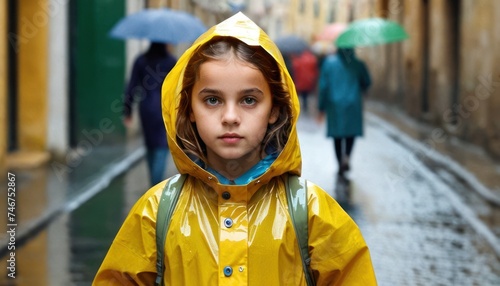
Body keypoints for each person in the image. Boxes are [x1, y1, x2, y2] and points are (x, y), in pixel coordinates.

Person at [93, 13, 376, 285]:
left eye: (249, 100)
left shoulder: (313, 215)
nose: (230, 117)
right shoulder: (155, 214)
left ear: (275, 109)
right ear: (189, 107)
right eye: (213, 100)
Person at [123, 42, 177, 186]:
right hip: (163, 107)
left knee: (150, 144)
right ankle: (156, 184)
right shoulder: (171, 61)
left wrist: (127, 110)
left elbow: (131, 86)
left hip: (145, 107)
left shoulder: (141, 60)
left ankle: (153, 183)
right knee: (162, 145)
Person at [317, 47, 371, 177]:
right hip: (353, 103)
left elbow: (323, 87)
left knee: (337, 135)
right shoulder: (358, 64)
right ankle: (347, 156)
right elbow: (367, 82)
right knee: (350, 133)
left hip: (334, 104)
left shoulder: (329, 64)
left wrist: (321, 108)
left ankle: (340, 161)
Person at [291, 49, 319, 113]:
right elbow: (315, 70)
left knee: (302, 94)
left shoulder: (299, 60)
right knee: (306, 94)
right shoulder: (313, 59)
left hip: (301, 80)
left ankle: (302, 105)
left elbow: (295, 69)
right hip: (309, 80)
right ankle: (305, 105)